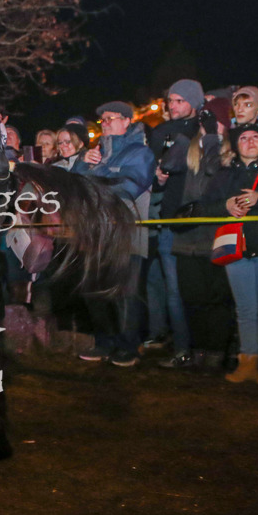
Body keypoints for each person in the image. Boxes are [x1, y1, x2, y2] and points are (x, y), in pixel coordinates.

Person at [198, 124, 258, 385]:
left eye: (255, 137)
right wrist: (225, 205)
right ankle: (247, 362)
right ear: (236, 145)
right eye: (244, 138)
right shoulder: (224, 175)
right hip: (236, 250)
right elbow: (205, 207)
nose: (250, 142)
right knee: (245, 309)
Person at [74, 100, 155, 367]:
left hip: (127, 235)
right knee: (94, 292)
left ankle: (129, 345)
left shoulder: (140, 153)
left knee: (126, 295)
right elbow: (73, 187)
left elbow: (128, 188)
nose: (105, 123)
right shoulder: (95, 154)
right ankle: (104, 342)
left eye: (111, 118)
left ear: (127, 121)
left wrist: (96, 176)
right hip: (96, 235)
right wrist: (82, 164)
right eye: (103, 120)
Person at [166, 97, 236, 371]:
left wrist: (212, 140)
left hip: (213, 238)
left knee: (216, 299)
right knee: (192, 298)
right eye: (205, 121)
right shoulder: (191, 148)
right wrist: (187, 135)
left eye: (214, 121)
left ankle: (217, 350)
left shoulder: (229, 152)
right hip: (186, 237)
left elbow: (213, 172)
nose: (207, 125)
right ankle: (199, 348)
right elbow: (168, 165)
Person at [145, 80, 205, 363]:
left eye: (180, 100)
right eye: (171, 100)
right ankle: (179, 345)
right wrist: (157, 179)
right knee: (170, 287)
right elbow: (151, 173)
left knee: (193, 286)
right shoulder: (160, 132)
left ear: (194, 103)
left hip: (199, 219)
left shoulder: (203, 131)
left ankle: (199, 345)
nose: (173, 106)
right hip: (168, 216)